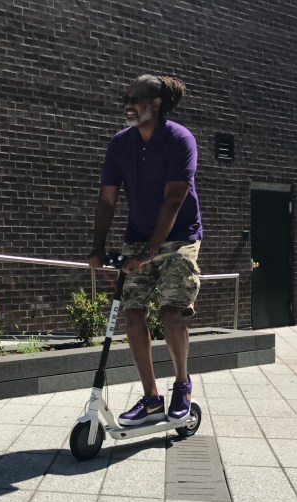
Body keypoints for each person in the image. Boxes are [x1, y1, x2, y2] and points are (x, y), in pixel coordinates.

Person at [87, 74, 202, 426]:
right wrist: (98, 247)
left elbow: (174, 199)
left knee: (171, 311)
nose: (128, 102)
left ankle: (182, 385)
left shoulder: (179, 139)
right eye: (126, 95)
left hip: (179, 235)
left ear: (156, 104)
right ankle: (151, 399)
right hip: (138, 237)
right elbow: (107, 200)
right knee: (133, 313)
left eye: (135, 97)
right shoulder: (120, 144)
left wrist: (152, 251)